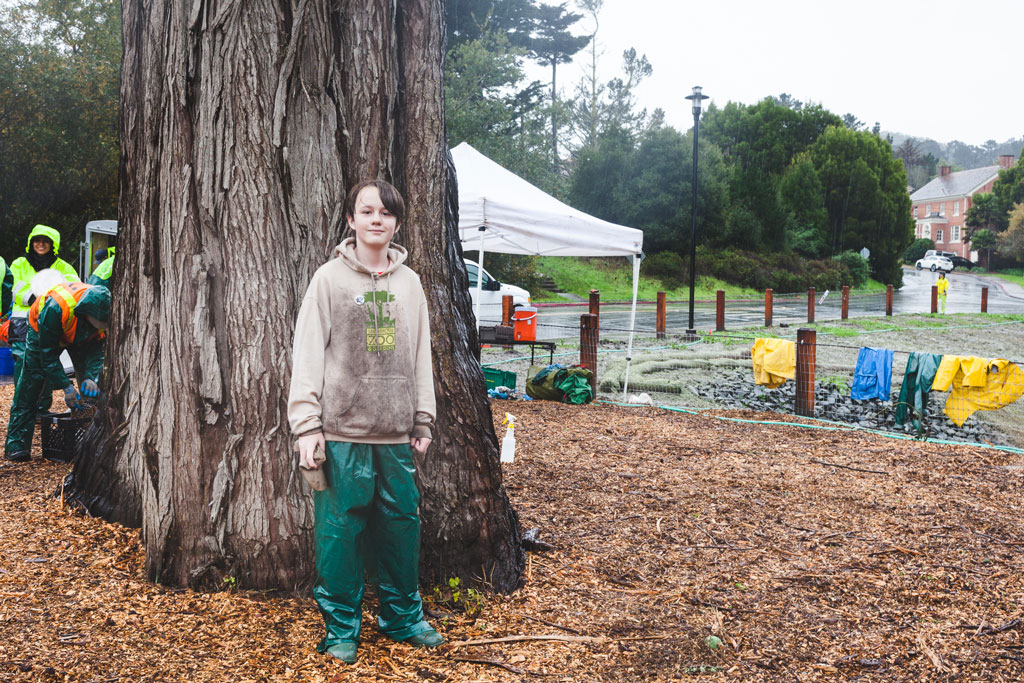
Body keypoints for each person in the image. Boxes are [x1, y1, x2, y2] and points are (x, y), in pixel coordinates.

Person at [288, 180, 441, 664]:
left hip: (396, 435)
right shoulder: (329, 279)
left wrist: (422, 418)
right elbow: (307, 354)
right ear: (351, 221)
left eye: (386, 212)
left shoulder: (410, 283)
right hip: (342, 434)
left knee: (401, 527)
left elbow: (422, 355)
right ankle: (340, 629)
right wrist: (306, 425)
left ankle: (402, 618)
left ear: (396, 222)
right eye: (367, 211)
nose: (377, 219)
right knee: (340, 534)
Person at [4, 270, 108, 462]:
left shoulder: (103, 309)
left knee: (95, 384)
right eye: (97, 324)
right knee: (30, 384)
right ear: (85, 314)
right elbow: (47, 355)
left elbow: (96, 351)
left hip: (78, 332)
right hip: (42, 330)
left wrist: (91, 377)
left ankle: (88, 441)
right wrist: (66, 386)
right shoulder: (56, 308)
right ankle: (16, 444)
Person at [8, 225, 80, 412]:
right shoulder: (19, 264)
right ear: (31, 243)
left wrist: (53, 305)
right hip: (22, 322)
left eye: (45, 241)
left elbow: (74, 289)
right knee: (23, 363)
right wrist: (38, 298)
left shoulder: (64, 267)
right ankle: (22, 407)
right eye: (37, 240)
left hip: (50, 323)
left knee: (47, 361)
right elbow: (14, 287)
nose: (41, 244)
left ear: (52, 244)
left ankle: (41, 409)